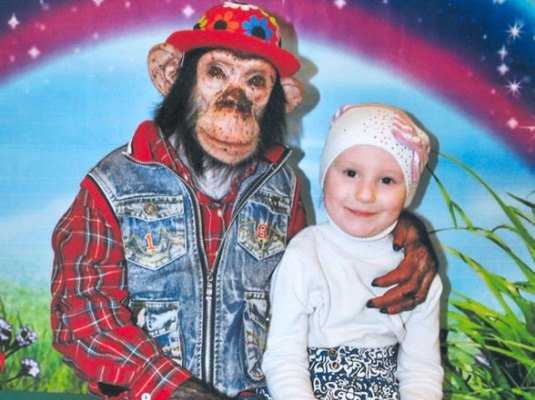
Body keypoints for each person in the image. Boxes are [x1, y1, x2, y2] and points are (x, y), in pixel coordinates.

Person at [50, 2, 438, 399]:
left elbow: (319, 268)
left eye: (254, 82)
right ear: (175, 77)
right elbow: (81, 314)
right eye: (216, 73)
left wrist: (397, 233)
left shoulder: (281, 187)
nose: (234, 103)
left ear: (276, 101)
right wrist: (175, 390)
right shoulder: (115, 182)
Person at [262, 104, 443, 400]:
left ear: (408, 191)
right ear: (325, 175)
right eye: (350, 173)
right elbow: (284, 358)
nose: (365, 194)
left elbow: (421, 370)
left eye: (387, 180)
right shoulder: (304, 254)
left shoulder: (417, 271)